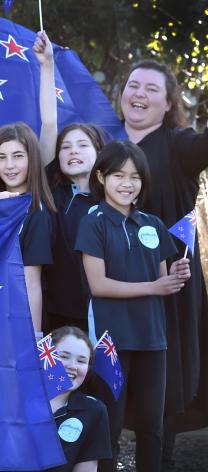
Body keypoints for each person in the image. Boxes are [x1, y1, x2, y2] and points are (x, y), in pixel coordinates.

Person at [74, 140, 191, 472]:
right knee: (110, 423)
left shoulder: (152, 224)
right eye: (118, 175)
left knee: (152, 425)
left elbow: (163, 278)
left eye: (135, 176)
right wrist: (155, 286)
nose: (127, 184)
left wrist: (177, 272)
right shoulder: (93, 221)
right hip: (111, 342)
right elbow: (99, 285)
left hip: (153, 338)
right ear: (100, 176)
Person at [118, 59, 208, 464]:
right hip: (107, 285)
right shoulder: (101, 142)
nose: (139, 93)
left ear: (169, 103)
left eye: (152, 89)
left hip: (167, 287)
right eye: (134, 85)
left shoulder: (179, 144)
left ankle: (161, 461)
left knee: (165, 383)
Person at [33, 30, 107, 333]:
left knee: (99, 382)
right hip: (56, 315)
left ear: (99, 153)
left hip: (102, 314)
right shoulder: (52, 189)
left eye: (82, 145)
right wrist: (47, 65)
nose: (72, 151)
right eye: (66, 147)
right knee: (62, 381)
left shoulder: (113, 199)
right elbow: (50, 123)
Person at [0, 122, 56, 334]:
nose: (9, 165)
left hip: (15, 321)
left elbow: (32, 283)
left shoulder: (36, 212)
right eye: (1, 157)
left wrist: (33, 336)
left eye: (18, 156)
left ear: (32, 159)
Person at [45, 326, 113, 472]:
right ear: (46, 355)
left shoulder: (94, 411)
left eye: (81, 361)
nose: (72, 366)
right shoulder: (18, 402)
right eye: (64, 356)